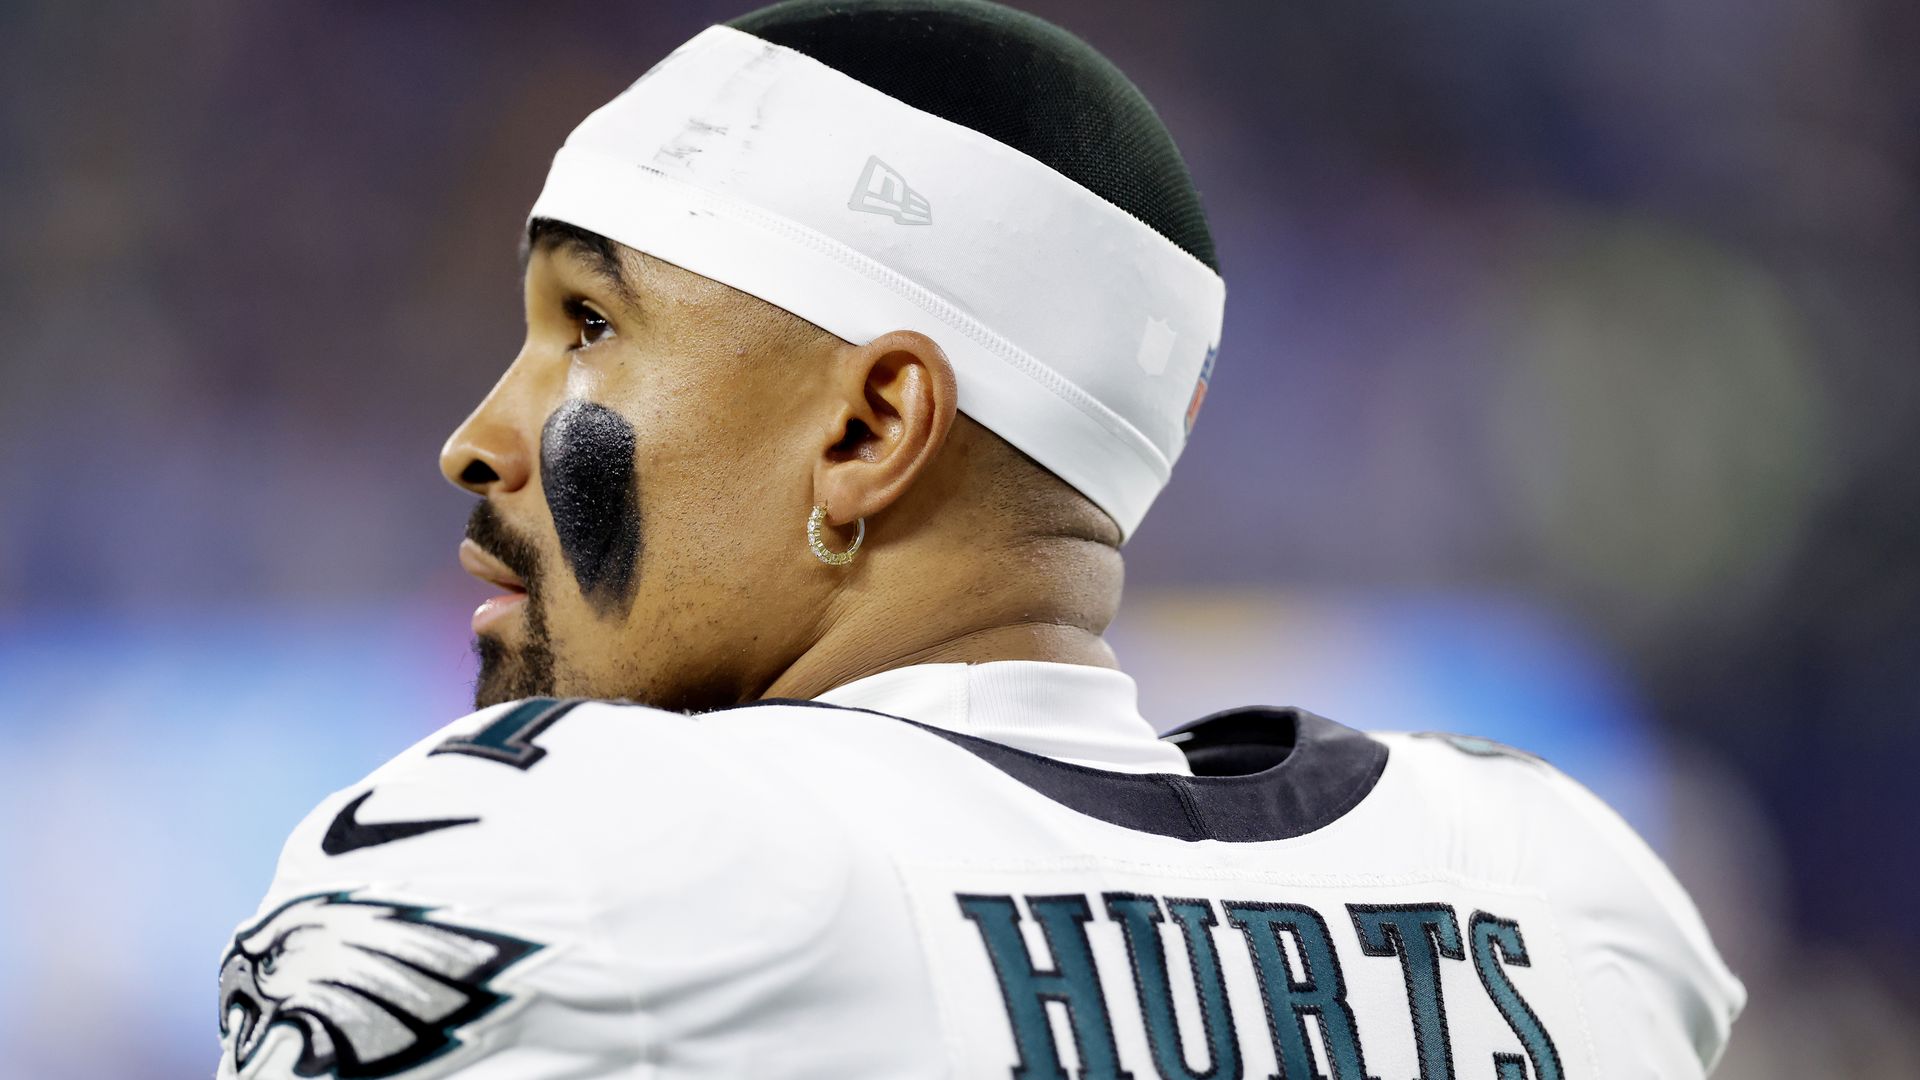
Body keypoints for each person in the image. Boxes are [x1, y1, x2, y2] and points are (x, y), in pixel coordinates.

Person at [215, 1, 1744, 1077]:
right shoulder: (1551, 896)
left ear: (873, 427)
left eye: (590, 329)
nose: (479, 436)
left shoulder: (555, 861)